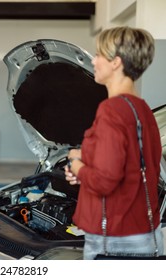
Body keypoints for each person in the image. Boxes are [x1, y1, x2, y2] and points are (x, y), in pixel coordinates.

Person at [65, 26, 164, 260]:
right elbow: (129, 166)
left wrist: (77, 164)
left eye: (99, 55)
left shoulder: (111, 110)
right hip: (144, 232)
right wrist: (85, 166)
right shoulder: (142, 109)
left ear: (116, 62)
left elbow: (104, 182)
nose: (94, 61)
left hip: (114, 239)